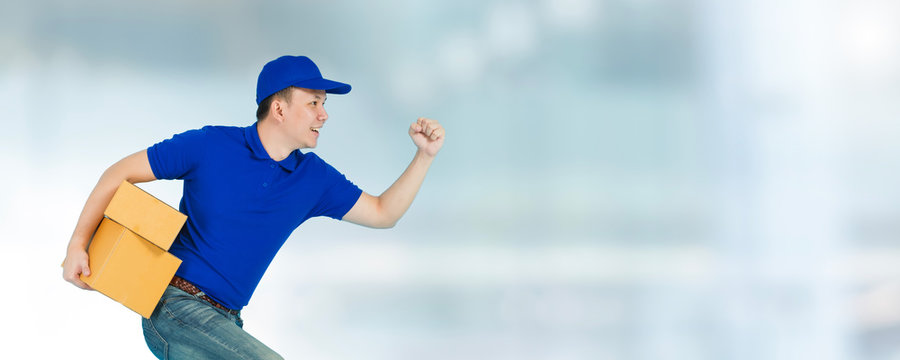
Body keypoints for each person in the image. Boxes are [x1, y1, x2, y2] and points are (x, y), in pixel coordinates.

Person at [61, 55, 445, 359]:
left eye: (324, 103)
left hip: (228, 322)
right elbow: (118, 174)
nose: (324, 114)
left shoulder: (313, 178)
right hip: (174, 307)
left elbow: (383, 213)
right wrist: (78, 245)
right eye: (313, 102)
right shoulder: (209, 146)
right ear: (279, 109)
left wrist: (424, 156)